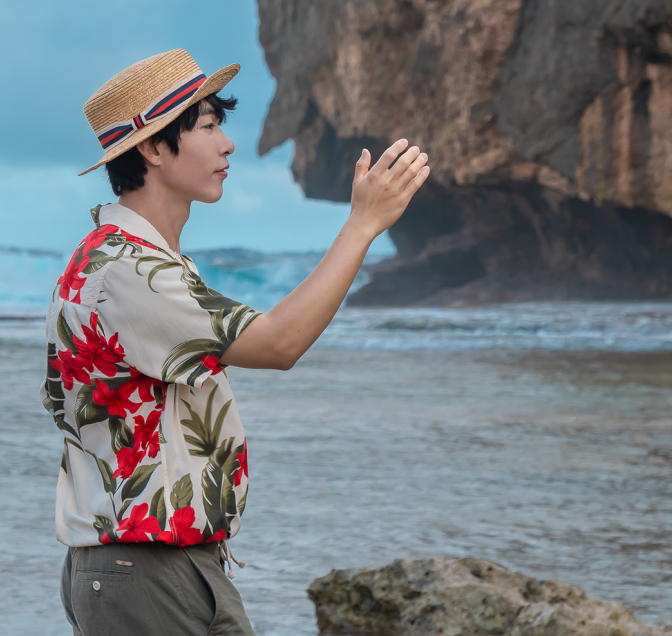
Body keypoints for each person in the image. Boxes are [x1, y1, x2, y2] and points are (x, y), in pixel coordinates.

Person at [43, 48, 430, 636]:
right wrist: (362, 225)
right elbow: (278, 344)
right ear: (150, 147)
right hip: (145, 570)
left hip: (154, 565)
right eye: (208, 126)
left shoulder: (126, 259)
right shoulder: (128, 270)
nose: (227, 144)